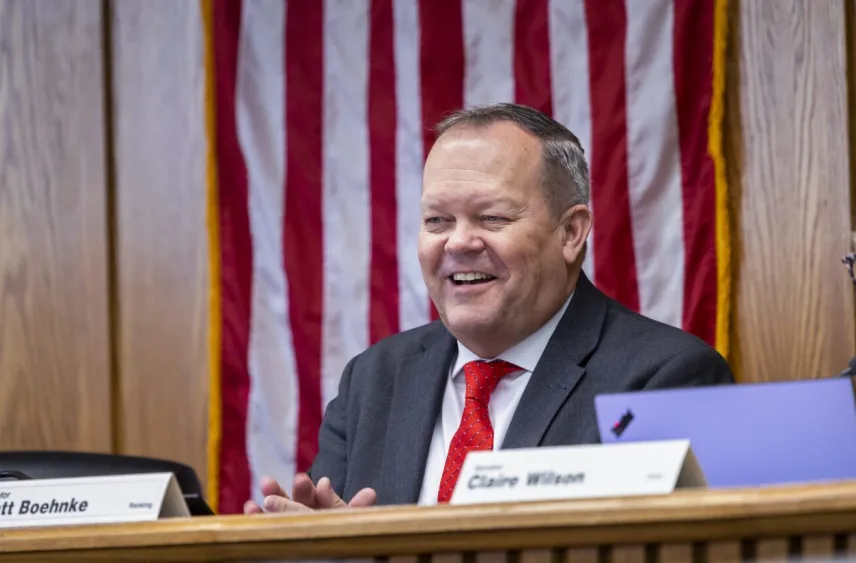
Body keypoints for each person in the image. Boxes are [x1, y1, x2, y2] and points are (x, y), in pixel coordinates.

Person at [243, 103, 735, 514]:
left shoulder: (666, 378)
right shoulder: (373, 380)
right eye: (437, 220)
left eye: (491, 217)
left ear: (571, 232)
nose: (458, 242)